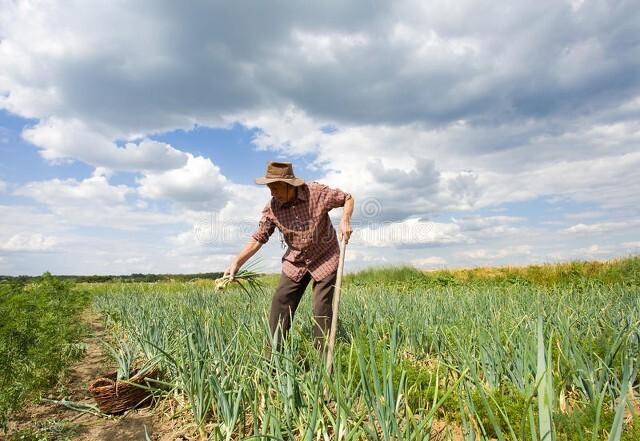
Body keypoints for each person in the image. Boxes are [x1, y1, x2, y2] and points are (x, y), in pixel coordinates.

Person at [224, 161, 354, 352]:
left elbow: (348, 198)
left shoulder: (316, 192)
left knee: (321, 311)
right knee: (280, 304)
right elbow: (259, 238)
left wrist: (345, 220)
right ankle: (273, 362)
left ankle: (324, 366)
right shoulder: (273, 208)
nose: (272, 193)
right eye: (269, 188)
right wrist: (237, 262)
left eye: (275, 187)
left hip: (325, 258)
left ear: (289, 184)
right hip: (296, 262)